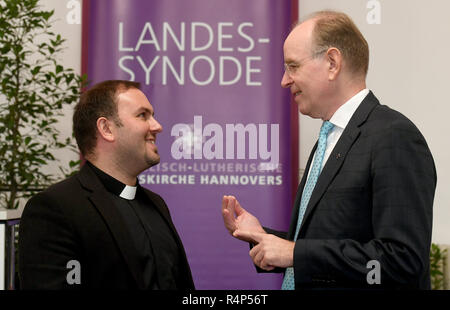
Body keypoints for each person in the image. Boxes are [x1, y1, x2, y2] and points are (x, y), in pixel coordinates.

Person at [222, 11, 437, 290]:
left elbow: (403, 262)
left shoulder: (394, 136)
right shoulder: (330, 137)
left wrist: (294, 253)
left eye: (293, 66)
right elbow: (329, 238)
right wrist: (263, 237)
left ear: (333, 63)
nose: (284, 80)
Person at [19, 80, 195, 289]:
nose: (157, 126)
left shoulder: (156, 205)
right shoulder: (56, 209)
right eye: (142, 115)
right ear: (106, 128)